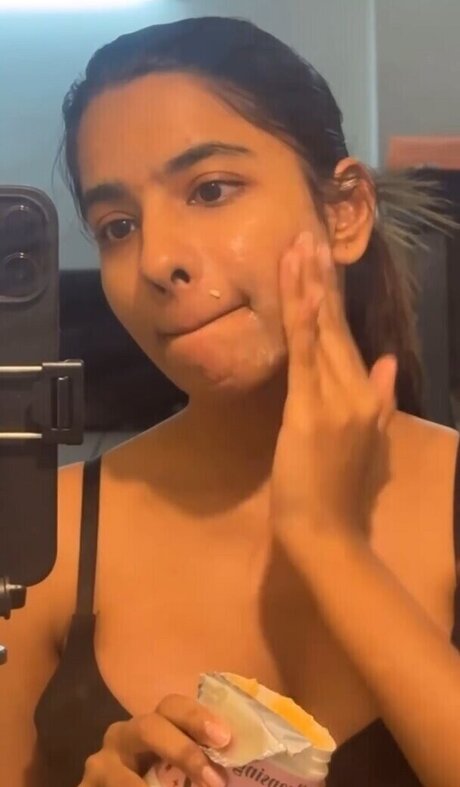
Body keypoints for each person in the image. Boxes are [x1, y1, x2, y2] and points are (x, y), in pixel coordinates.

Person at [0, 15, 459, 787]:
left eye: (211, 190)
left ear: (344, 212)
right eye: (118, 226)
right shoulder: (39, 539)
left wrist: (327, 540)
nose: (158, 259)